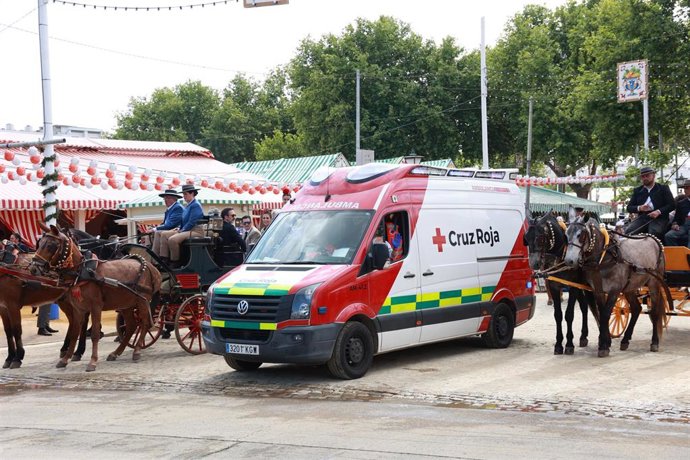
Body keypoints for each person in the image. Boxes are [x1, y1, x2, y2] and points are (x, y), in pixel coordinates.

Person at [159, 184, 205, 269]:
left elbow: (192, 221)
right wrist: (180, 228)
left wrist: (182, 230)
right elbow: (184, 220)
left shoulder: (195, 205)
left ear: (192, 194)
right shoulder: (188, 205)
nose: (184, 196)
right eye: (183, 194)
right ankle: (164, 259)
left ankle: (175, 261)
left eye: (185, 194)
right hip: (187, 230)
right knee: (164, 234)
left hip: (195, 231)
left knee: (173, 239)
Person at [624, 166, 675, 240]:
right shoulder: (637, 191)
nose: (645, 178)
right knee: (629, 232)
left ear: (653, 175)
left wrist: (658, 212)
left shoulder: (663, 188)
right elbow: (629, 207)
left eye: (647, 176)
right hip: (643, 217)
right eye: (643, 176)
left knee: (653, 233)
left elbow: (672, 205)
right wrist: (639, 208)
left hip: (659, 218)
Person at [152, 189, 183, 260]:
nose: (165, 200)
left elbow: (171, 224)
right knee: (148, 236)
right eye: (165, 198)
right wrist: (155, 227)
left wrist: (155, 229)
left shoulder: (178, 208)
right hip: (171, 229)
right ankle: (151, 254)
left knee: (158, 232)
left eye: (168, 198)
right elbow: (164, 223)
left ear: (174, 199)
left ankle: (157, 258)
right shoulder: (169, 209)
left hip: (176, 229)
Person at [665, 180, 690, 247]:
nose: (685, 190)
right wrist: (675, 224)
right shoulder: (681, 203)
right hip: (684, 226)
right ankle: (677, 255)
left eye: (687, 188)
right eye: (684, 188)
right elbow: (676, 218)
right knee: (669, 236)